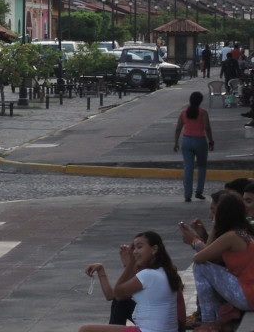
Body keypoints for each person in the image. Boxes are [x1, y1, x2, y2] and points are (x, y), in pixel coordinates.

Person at [79, 230, 182, 332]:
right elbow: (114, 296)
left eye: (139, 247)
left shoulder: (148, 274)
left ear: (154, 249)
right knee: (119, 303)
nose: (135, 252)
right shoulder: (163, 271)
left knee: (85, 329)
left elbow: (118, 293)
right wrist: (102, 270)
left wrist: (131, 263)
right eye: (134, 248)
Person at [189, 193, 254, 330]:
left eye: (214, 211)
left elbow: (199, 258)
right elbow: (212, 256)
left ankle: (208, 320)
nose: (211, 215)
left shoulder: (231, 236)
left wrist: (212, 227)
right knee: (206, 266)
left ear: (222, 214)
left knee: (200, 267)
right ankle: (213, 319)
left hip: (248, 295)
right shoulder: (244, 232)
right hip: (249, 292)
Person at [174, 91, 214, 202]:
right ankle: (199, 191)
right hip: (200, 141)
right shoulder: (203, 113)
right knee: (201, 166)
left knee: (188, 168)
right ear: (200, 101)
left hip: (186, 141)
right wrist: (211, 141)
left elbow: (178, 128)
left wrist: (176, 142)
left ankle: (187, 195)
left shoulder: (184, 113)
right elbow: (207, 128)